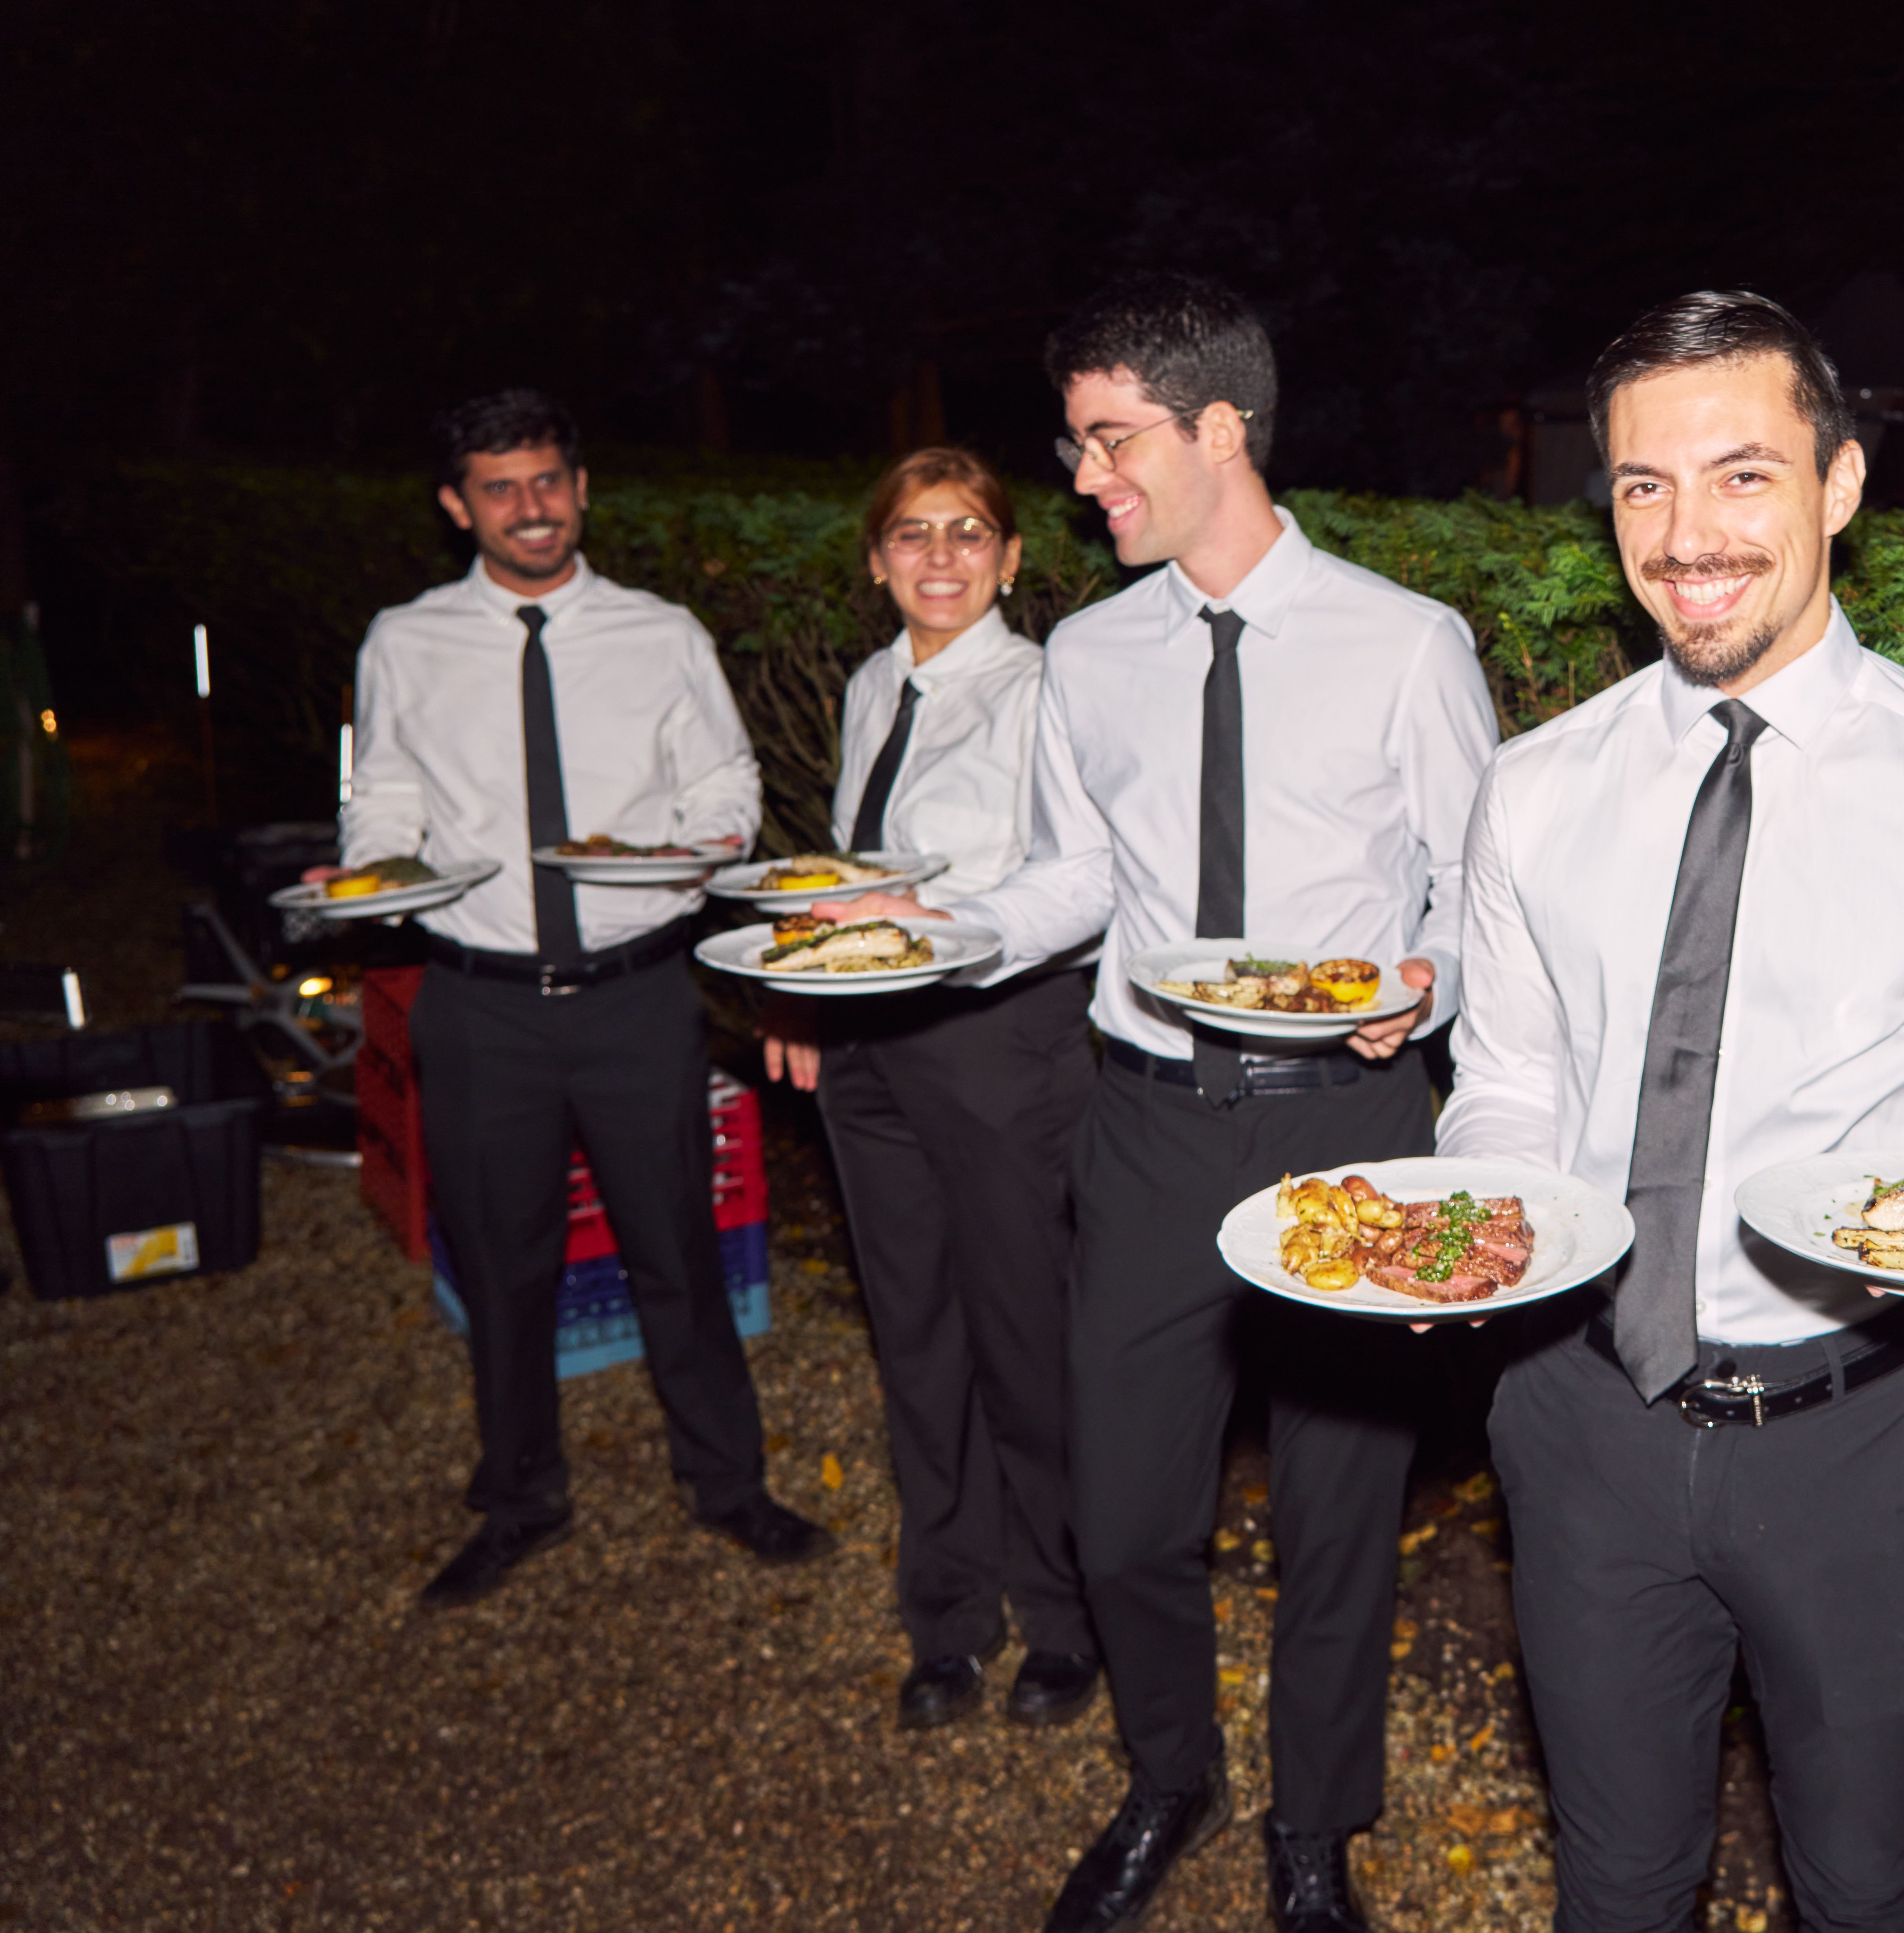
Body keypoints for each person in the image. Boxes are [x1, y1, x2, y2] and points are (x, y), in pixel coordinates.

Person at [826, 276, 1500, 1933]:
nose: (1079, 477)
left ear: (1218, 430)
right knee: (1126, 1509)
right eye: (1073, 442)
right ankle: (1170, 1772)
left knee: (1339, 1515)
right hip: (1143, 1123)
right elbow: (1075, 878)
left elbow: (1484, 896)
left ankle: (1312, 1831)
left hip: (1342, 1121)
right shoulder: (1093, 655)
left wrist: (1424, 983)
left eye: (1108, 438)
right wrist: (952, 930)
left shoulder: (1405, 644)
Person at [1434, 291, 1904, 1933]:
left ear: (1839, 485)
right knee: (1620, 1877)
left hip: (1849, 1435)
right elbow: (1506, 1081)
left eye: (1739, 476)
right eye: (1642, 487)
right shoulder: (1531, 786)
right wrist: (1475, 1237)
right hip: (1579, 1414)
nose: (1686, 534)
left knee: (1862, 1881)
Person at [336, 387, 832, 1607]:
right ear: (459, 508)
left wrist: (702, 841)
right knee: (505, 1264)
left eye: (549, 480)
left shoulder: (660, 634)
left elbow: (724, 779)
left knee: (677, 1249)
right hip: (479, 998)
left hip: (633, 993)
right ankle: (519, 1496)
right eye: (501, 488)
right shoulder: (405, 641)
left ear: (583, 488)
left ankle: (731, 1487)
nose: (532, 507)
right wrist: (368, 870)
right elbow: (385, 794)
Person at [759, 447, 1104, 1732]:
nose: (943, 557)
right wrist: (800, 987)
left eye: (971, 533)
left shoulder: (1045, 693)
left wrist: (925, 914)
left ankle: (1066, 1617)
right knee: (914, 1338)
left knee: (1026, 1342)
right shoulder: (866, 688)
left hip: (998, 1048)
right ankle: (948, 1615)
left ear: (1013, 560)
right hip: (870, 1056)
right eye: (914, 533)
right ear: (877, 558)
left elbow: (1076, 878)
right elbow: (855, 880)